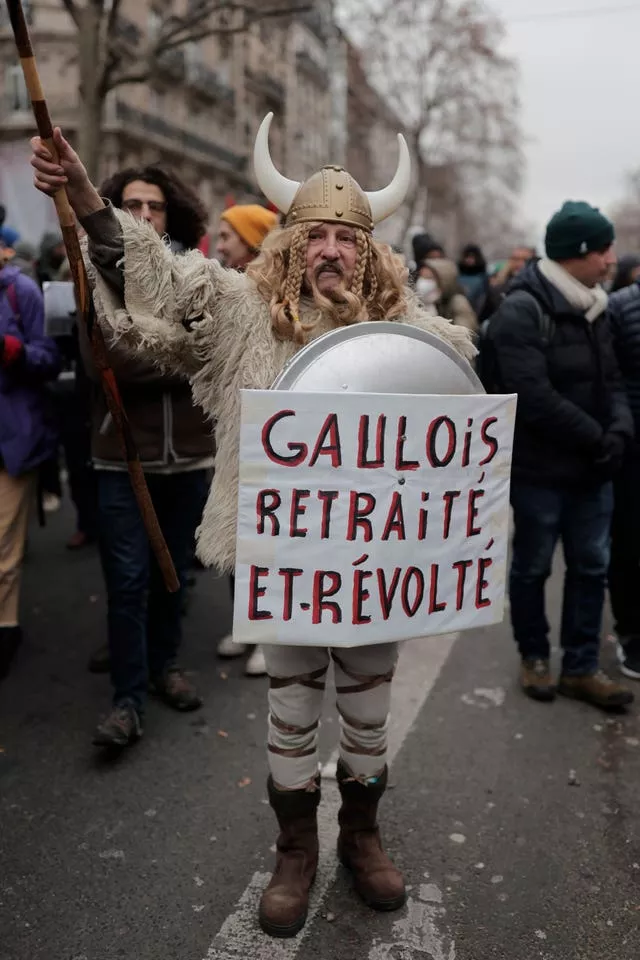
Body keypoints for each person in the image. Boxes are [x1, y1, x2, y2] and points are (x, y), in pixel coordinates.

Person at [31, 118, 475, 937]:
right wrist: (86, 195)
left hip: (378, 563)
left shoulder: (407, 327)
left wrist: (368, 331)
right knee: (294, 707)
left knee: (370, 712)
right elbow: (162, 277)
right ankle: (295, 852)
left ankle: (364, 835)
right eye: (318, 237)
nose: (334, 250)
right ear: (290, 244)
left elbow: (457, 389)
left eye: (349, 237)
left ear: (369, 252)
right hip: (289, 556)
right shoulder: (242, 312)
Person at [71, 163, 214, 746]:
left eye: (154, 205)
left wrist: (165, 349)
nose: (144, 215)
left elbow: (213, 350)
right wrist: (178, 353)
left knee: (173, 575)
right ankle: (127, 700)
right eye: (132, 204)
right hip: (120, 457)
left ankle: (165, 666)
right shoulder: (94, 277)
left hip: (188, 460)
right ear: (114, 209)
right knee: (128, 581)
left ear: (171, 213)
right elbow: (107, 364)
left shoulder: (197, 274)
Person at [485, 201, 634, 709]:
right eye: (605, 248)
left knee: (592, 567)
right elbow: (532, 395)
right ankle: (535, 658)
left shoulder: (596, 304)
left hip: (593, 472)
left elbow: (612, 380)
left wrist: (619, 429)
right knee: (532, 568)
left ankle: (581, 666)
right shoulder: (522, 308)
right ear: (580, 253)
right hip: (540, 473)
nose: (612, 259)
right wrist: (598, 437)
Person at [212, 203, 278, 677]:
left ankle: (269, 634)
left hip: (274, 439)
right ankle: (245, 623)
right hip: (235, 434)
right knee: (239, 537)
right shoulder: (223, 290)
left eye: (227, 236)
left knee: (269, 543)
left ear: (252, 242)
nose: (218, 245)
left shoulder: (277, 296)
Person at [0, 261, 60, 680]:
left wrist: (15, 351)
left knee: (3, 549)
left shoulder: (20, 291)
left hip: (11, 442)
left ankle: (5, 629)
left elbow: (50, 358)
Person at [607, 273, 640, 679]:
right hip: (633, 452)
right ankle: (632, 632)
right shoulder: (621, 306)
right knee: (629, 543)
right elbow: (609, 378)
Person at [414, 258, 478, 334]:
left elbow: (465, 334)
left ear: (443, 281)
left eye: (429, 278)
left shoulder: (457, 302)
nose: (423, 282)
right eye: (422, 277)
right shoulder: (422, 304)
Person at [457, 243, 490, 318]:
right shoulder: (458, 274)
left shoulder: (483, 276)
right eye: (467, 257)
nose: (469, 260)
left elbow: (484, 298)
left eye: (472, 257)